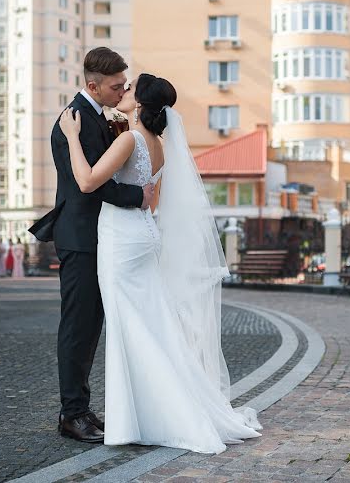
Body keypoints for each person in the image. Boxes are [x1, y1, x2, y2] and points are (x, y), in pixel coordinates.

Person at [58, 72, 261, 454]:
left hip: (120, 243)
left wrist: (71, 135)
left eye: (129, 88)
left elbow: (86, 182)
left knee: (130, 330)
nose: (124, 91)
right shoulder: (159, 146)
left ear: (141, 103)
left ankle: (144, 417)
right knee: (152, 326)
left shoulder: (130, 140)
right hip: (143, 237)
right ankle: (156, 412)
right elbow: (150, 201)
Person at [29, 47, 153, 444]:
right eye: (116, 87)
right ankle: (72, 414)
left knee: (93, 326)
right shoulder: (74, 121)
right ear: (93, 85)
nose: (123, 91)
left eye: (125, 85)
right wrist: (139, 198)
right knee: (78, 328)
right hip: (81, 240)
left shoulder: (101, 117)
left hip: (102, 238)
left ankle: (82, 407)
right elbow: (92, 187)